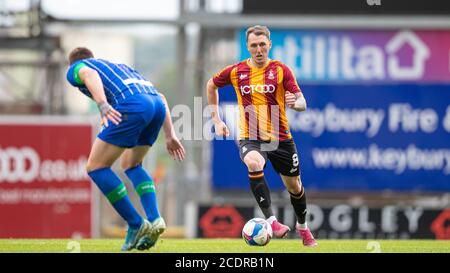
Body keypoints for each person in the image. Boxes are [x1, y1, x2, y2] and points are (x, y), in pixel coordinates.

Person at [206, 25, 317, 246]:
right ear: (247, 47)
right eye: (254, 45)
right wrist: (217, 120)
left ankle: (303, 227)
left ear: (269, 45)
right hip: (250, 137)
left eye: (262, 45)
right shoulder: (236, 71)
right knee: (254, 162)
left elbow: (301, 101)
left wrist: (297, 104)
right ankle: (272, 222)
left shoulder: (281, 70)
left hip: (280, 139)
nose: (258, 50)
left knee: (294, 186)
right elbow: (211, 85)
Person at [66, 47, 185, 251]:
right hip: (156, 106)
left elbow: (89, 74)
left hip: (133, 106)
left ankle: (136, 224)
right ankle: (155, 219)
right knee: (132, 164)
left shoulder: (78, 68)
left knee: (96, 168)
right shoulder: (121, 68)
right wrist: (170, 134)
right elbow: (161, 97)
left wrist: (102, 104)